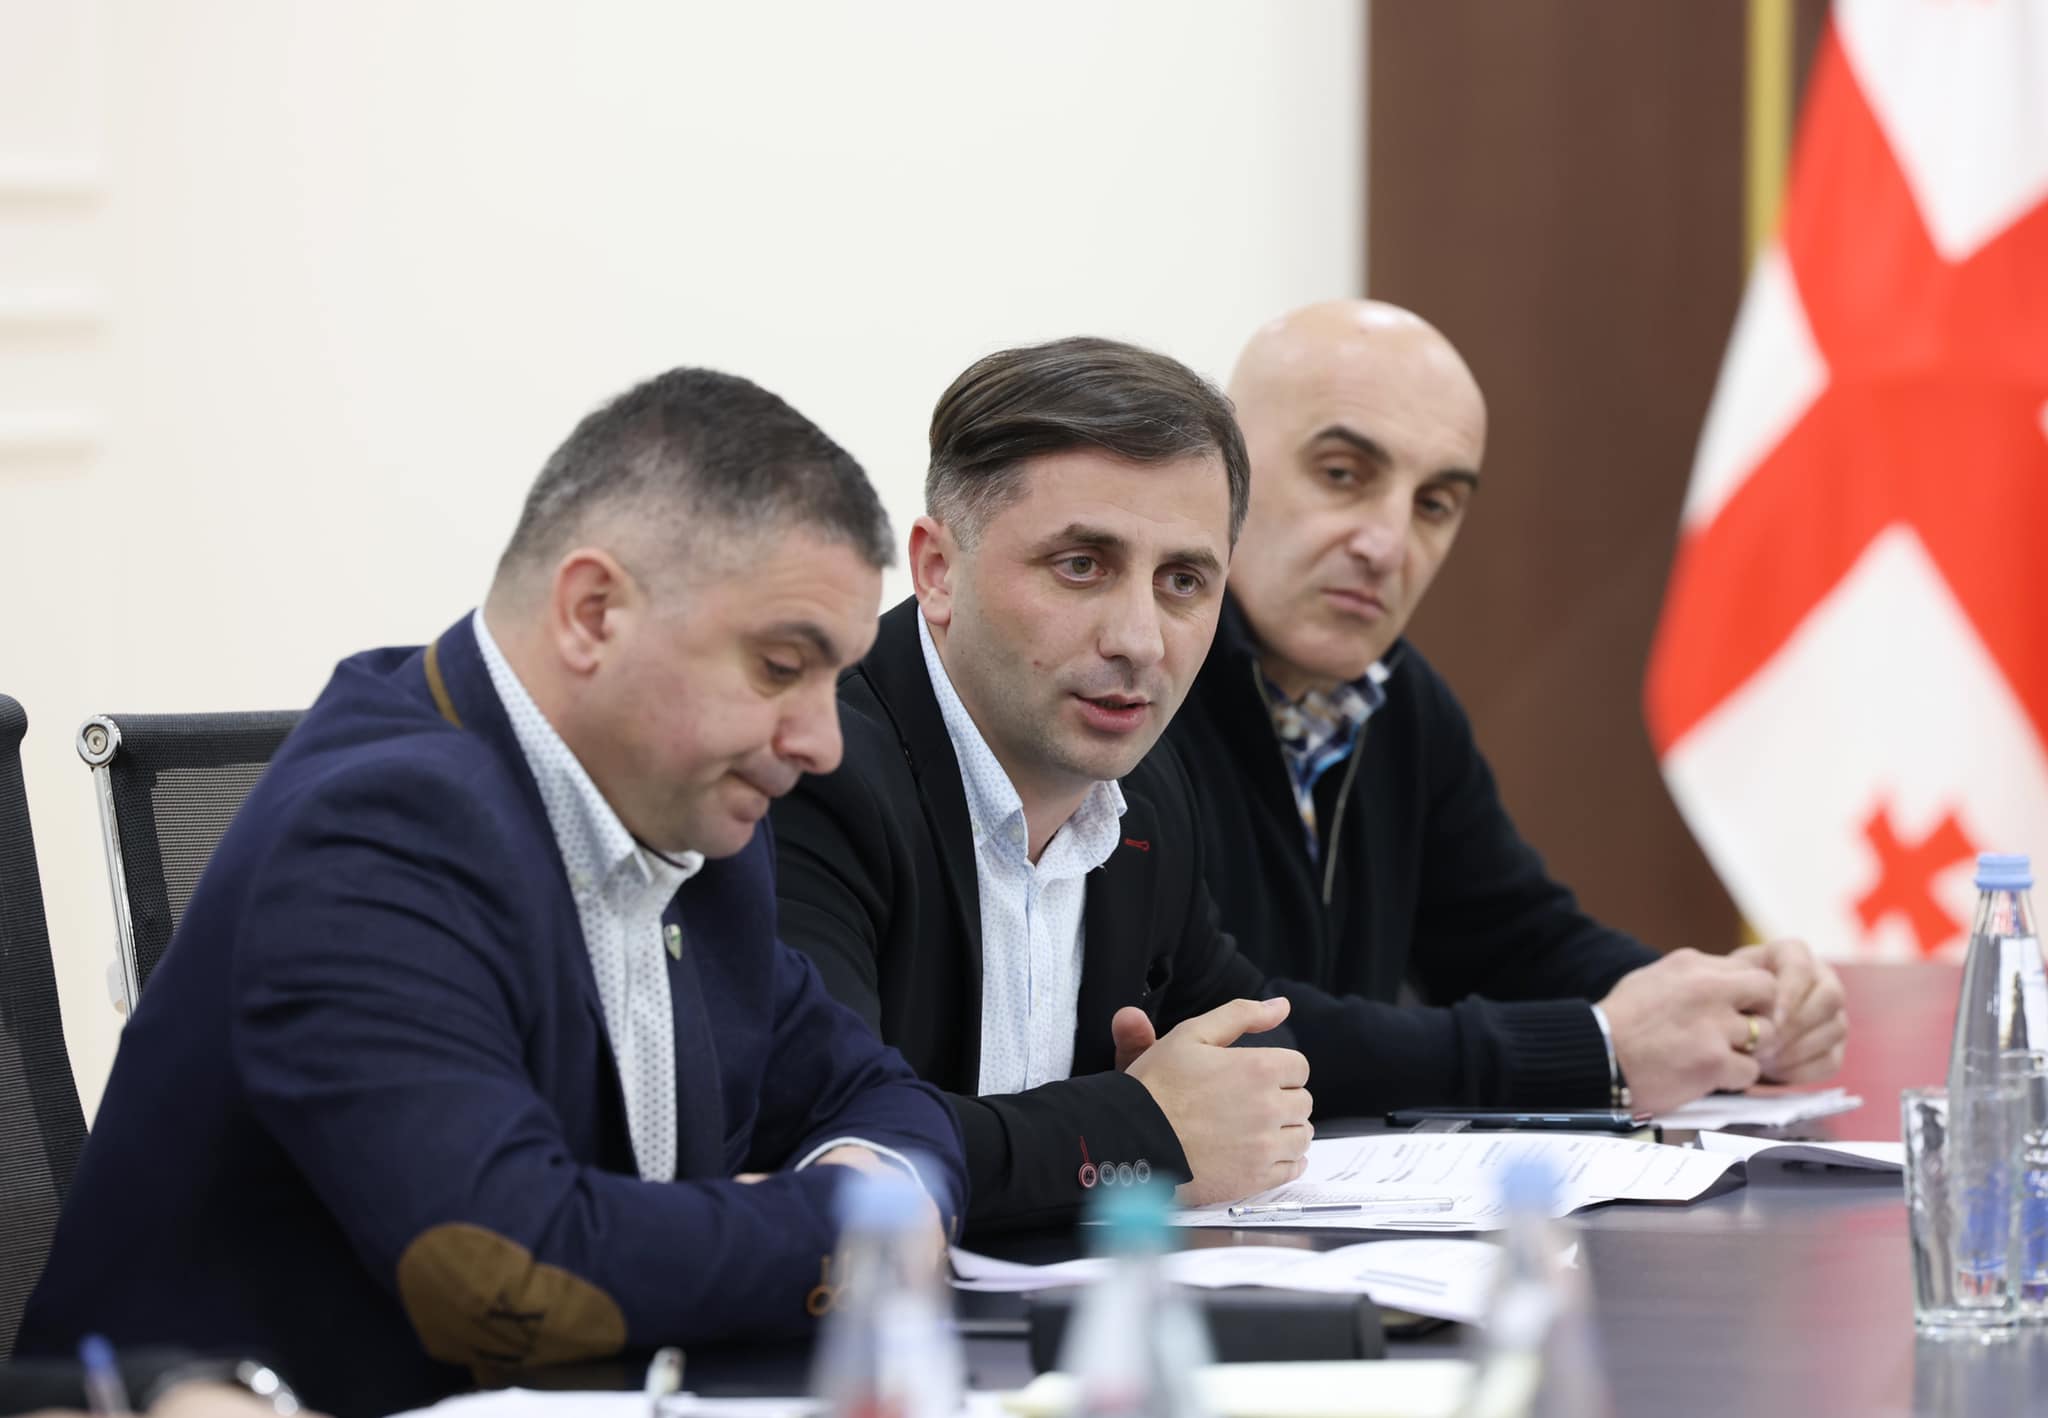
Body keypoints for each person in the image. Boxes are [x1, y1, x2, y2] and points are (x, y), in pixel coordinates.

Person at [17, 369, 967, 1418]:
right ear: (592, 613)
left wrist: (859, 1179)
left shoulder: (691, 824)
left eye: (833, 679)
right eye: (781, 666)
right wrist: (855, 1223)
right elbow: (506, 1274)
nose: (822, 742)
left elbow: (880, 1096)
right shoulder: (381, 830)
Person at [1157, 299, 1848, 1114]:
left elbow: (1514, 940)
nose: (1387, 545)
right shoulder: (1135, 692)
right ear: (1224, 472)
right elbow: (1217, 1023)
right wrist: (1596, 1046)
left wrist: (1726, 1008)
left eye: (1434, 504)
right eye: (1343, 475)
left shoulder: (1399, 698)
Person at [769, 337, 1317, 1232]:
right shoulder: (808, 767)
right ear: (938, 571)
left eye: (1183, 581)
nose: (1140, 640)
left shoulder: (1145, 790)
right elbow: (832, 1143)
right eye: (1082, 566)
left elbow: (1254, 1041)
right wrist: (1136, 1131)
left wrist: (1188, 1102)